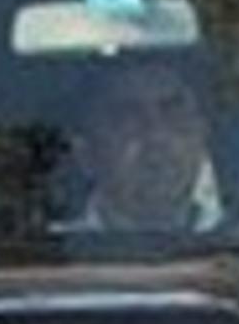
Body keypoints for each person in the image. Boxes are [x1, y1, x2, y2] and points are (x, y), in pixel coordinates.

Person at [68, 56, 215, 231]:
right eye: (129, 121)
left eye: (174, 114)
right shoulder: (47, 255)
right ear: (86, 155)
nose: (157, 136)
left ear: (203, 134)